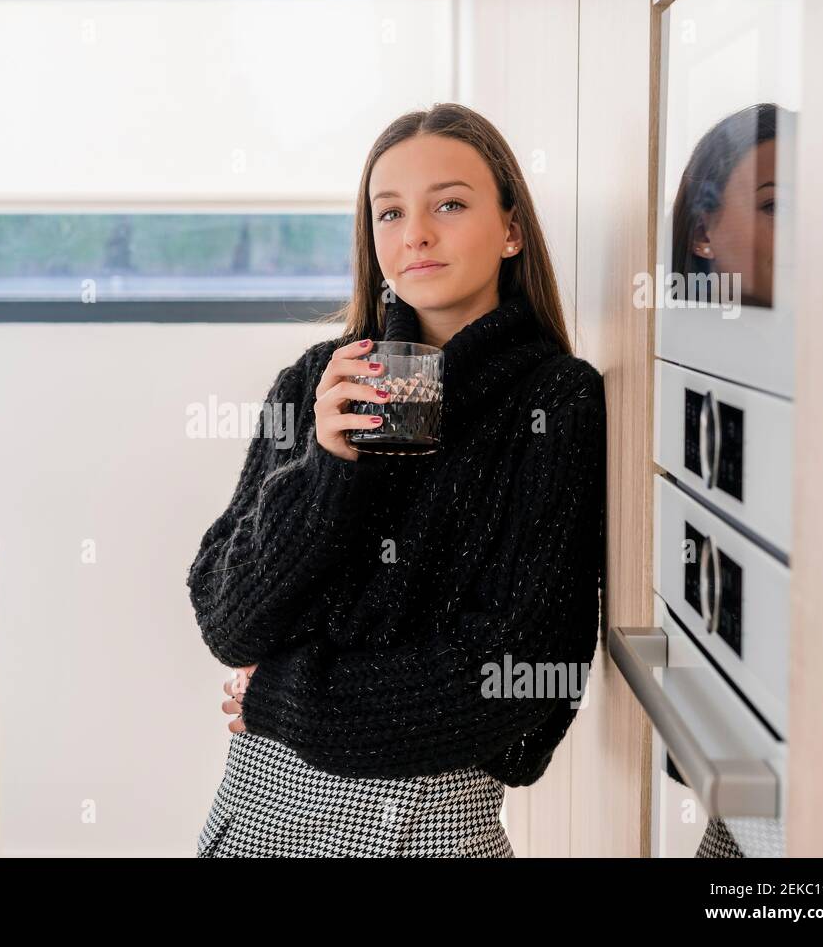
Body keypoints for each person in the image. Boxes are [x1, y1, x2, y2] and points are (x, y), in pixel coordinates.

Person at [187, 102, 607, 857]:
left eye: (449, 203)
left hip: (426, 827)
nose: (414, 233)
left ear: (512, 229)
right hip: (256, 813)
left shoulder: (555, 402)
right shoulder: (318, 380)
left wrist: (286, 696)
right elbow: (228, 619)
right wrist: (329, 466)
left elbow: (522, 670)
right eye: (389, 212)